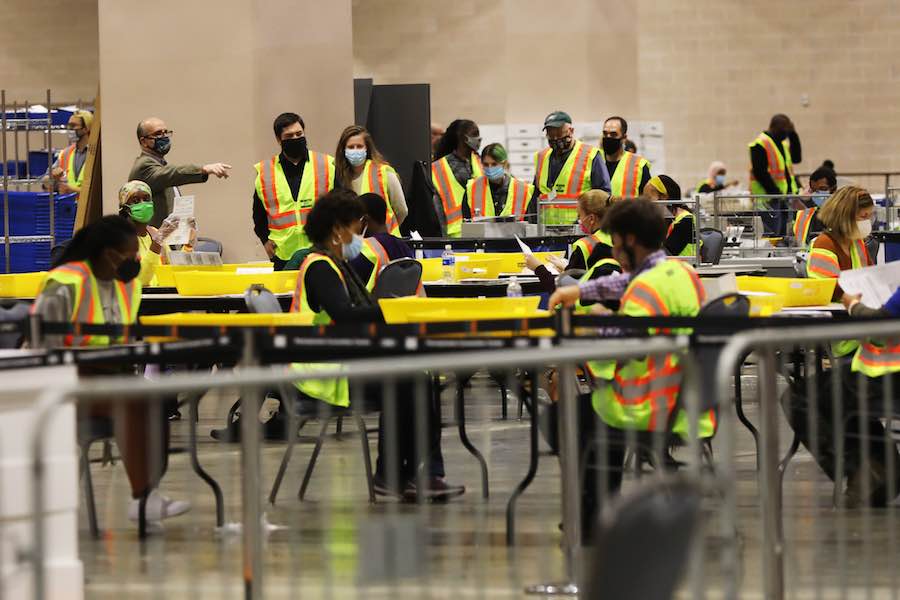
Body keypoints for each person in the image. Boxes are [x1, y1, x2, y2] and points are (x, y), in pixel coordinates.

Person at [548, 199, 713, 543]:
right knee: (589, 416)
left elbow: (621, 347)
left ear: (630, 240)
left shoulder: (647, 288)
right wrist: (579, 291)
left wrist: (599, 322)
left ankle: (593, 521)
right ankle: (598, 513)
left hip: (650, 406)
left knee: (564, 418)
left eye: (617, 241)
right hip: (692, 402)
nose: (614, 248)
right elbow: (625, 283)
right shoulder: (680, 272)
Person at [288, 189, 463, 500]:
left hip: (342, 361)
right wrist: (394, 309)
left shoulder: (337, 264)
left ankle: (409, 474)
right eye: (356, 227)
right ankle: (400, 474)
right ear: (337, 229)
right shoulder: (319, 267)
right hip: (323, 373)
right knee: (409, 382)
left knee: (416, 380)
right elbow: (345, 316)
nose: (360, 234)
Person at [31, 216, 189, 522]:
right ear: (107, 254)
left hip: (111, 374)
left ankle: (149, 494)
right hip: (62, 381)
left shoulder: (124, 284)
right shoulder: (64, 282)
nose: (135, 261)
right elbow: (40, 347)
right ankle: (143, 498)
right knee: (130, 401)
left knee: (154, 399)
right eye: (130, 255)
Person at [783, 288, 900, 508]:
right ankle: (881, 471)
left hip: (887, 377)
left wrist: (853, 306)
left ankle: (860, 470)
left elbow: (882, 323)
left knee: (798, 398)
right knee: (847, 402)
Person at [253, 112, 336, 270]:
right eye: (289, 136)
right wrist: (264, 240)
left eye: (299, 134)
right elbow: (258, 215)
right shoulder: (265, 172)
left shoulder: (325, 164)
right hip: (283, 254)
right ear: (279, 140)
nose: (295, 139)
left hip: (322, 250)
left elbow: (341, 207)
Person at [807, 185, 875, 358]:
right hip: (843, 327)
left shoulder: (857, 242)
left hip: (860, 317)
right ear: (845, 217)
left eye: (870, 216)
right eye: (863, 216)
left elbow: (872, 274)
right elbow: (830, 288)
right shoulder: (824, 244)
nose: (868, 221)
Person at [129, 117, 231, 228]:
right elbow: (174, 173)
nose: (164, 137)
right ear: (144, 141)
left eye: (166, 132)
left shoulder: (160, 163)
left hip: (168, 236)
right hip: (154, 239)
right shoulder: (144, 165)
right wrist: (204, 169)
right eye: (158, 134)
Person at [525, 189, 621, 295]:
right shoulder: (622, 238)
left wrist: (538, 268)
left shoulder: (585, 245)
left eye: (579, 215)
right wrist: (566, 269)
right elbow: (589, 277)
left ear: (591, 219)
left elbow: (563, 292)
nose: (578, 220)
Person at [528, 111, 611, 225]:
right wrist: (532, 225)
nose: (555, 138)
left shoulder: (590, 155)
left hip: (579, 230)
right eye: (551, 134)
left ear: (571, 131)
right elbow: (535, 196)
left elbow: (603, 196)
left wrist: (585, 222)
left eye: (559, 133)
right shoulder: (541, 157)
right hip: (546, 231)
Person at [117, 180, 196, 286]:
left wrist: (188, 244)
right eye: (136, 201)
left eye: (146, 199)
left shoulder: (154, 232)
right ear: (125, 208)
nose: (143, 204)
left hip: (159, 298)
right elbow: (139, 280)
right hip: (139, 300)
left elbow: (173, 269)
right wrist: (157, 243)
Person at [334, 125, 407, 235]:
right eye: (351, 147)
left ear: (367, 148)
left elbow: (402, 210)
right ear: (343, 150)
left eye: (359, 146)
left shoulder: (384, 173)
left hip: (385, 242)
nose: (355, 150)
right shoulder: (338, 177)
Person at [748, 114, 802, 236]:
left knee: (784, 236)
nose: (786, 133)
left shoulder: (781, 144)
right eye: (785, 130)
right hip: (768, 200)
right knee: (771, 236)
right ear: (775, 127)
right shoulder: (760, 144)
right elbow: (760, 172)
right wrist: (776, 193)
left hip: (785, 198)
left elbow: (797, 158)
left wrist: (793, 134)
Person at [350, 193, 415, 291]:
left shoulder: (365, 249)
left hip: (376, 305)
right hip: (403, 305)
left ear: (365, 220)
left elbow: (348, 285)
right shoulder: (403, 246)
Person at [431, 119, 484, 237]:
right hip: (455, 236)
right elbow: (438, 209)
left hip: (482, 232)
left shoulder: (480, 162)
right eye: (475, 135)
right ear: (464, 139)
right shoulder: (439, 168)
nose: (479, 139)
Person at [465, 143, 534, 220]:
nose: (489, 168)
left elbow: (530, 224)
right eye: (486, 164)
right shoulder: (472, 188)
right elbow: (466, 222)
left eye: (494, 164)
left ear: (504, 164)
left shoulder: (523, 189)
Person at [643, 175, 699, 257]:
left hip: (685, 267)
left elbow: (666, 253)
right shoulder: (664, 219)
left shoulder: (685, 220)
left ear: (664, 197)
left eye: (648, 198)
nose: (645, 203)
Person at [599, 116, 651, 198]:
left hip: (627, 210)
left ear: (624, 138)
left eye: (613, 134)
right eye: (605, 134)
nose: (608, 137)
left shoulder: (638, 165)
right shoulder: (594, 159)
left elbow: (647, 200)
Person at [43, 110, 93, 194]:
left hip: (88, 205)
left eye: (73, 125)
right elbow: (46, 182)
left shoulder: (94, 154)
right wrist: (51, 178)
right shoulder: (65, 153)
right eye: (69, 125)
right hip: (68, 205)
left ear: (85, 129)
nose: (69, 129)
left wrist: (72, 190)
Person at [791, 166, 837, 247]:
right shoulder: (803, 214)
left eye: (822, 189)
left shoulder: (843, 213)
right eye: (813, 190)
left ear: (833, 189)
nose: (816, 194)